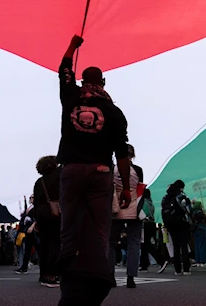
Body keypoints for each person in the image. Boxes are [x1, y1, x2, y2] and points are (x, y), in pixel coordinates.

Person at [55, 35, 132, 306]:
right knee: (101, 232)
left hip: (72, 169)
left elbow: (64, 70)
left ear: (83, 81)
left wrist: (74, 46)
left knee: (69, 228)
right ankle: (97, 280)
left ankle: (66, 284)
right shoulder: (114, 112)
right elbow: (121, 152)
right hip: (101, 172)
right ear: (103, 83)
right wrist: (125, 187)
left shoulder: (71, 98)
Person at [109, 144, 142, 289]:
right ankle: (131, 278)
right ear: (133, 155)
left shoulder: (112, 170)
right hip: (134, 209)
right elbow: (140, 188)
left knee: (111, 244)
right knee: (133, 243)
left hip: (116, 209)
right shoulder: (138, 170)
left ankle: (110, 276)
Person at [32, 155, 62, 288]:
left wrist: (36, 220)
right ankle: (52, 275)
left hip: (42, 215)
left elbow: (36, 203)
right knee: (55, 243)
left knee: (44, 246)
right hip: (55, 213)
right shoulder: (58, 177)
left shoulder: (39, 182)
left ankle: (43, 274)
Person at [160, 180, 192, 275]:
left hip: (170, 224)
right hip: (182, 223)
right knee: (184, 246)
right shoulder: (182, 196)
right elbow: (188, 209)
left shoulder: (165, 198)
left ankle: (177, 269)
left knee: (176, 246)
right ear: (181, 187)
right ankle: (186, 269)